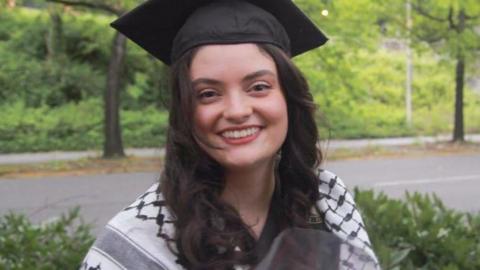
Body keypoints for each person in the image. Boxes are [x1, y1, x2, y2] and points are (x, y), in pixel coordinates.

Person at [81, 0, 378, 269]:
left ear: (288, 96)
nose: (237, 111)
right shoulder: (137, 240)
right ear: (185, 112)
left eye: (259, 87)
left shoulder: (325, 198)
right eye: (208, 94)